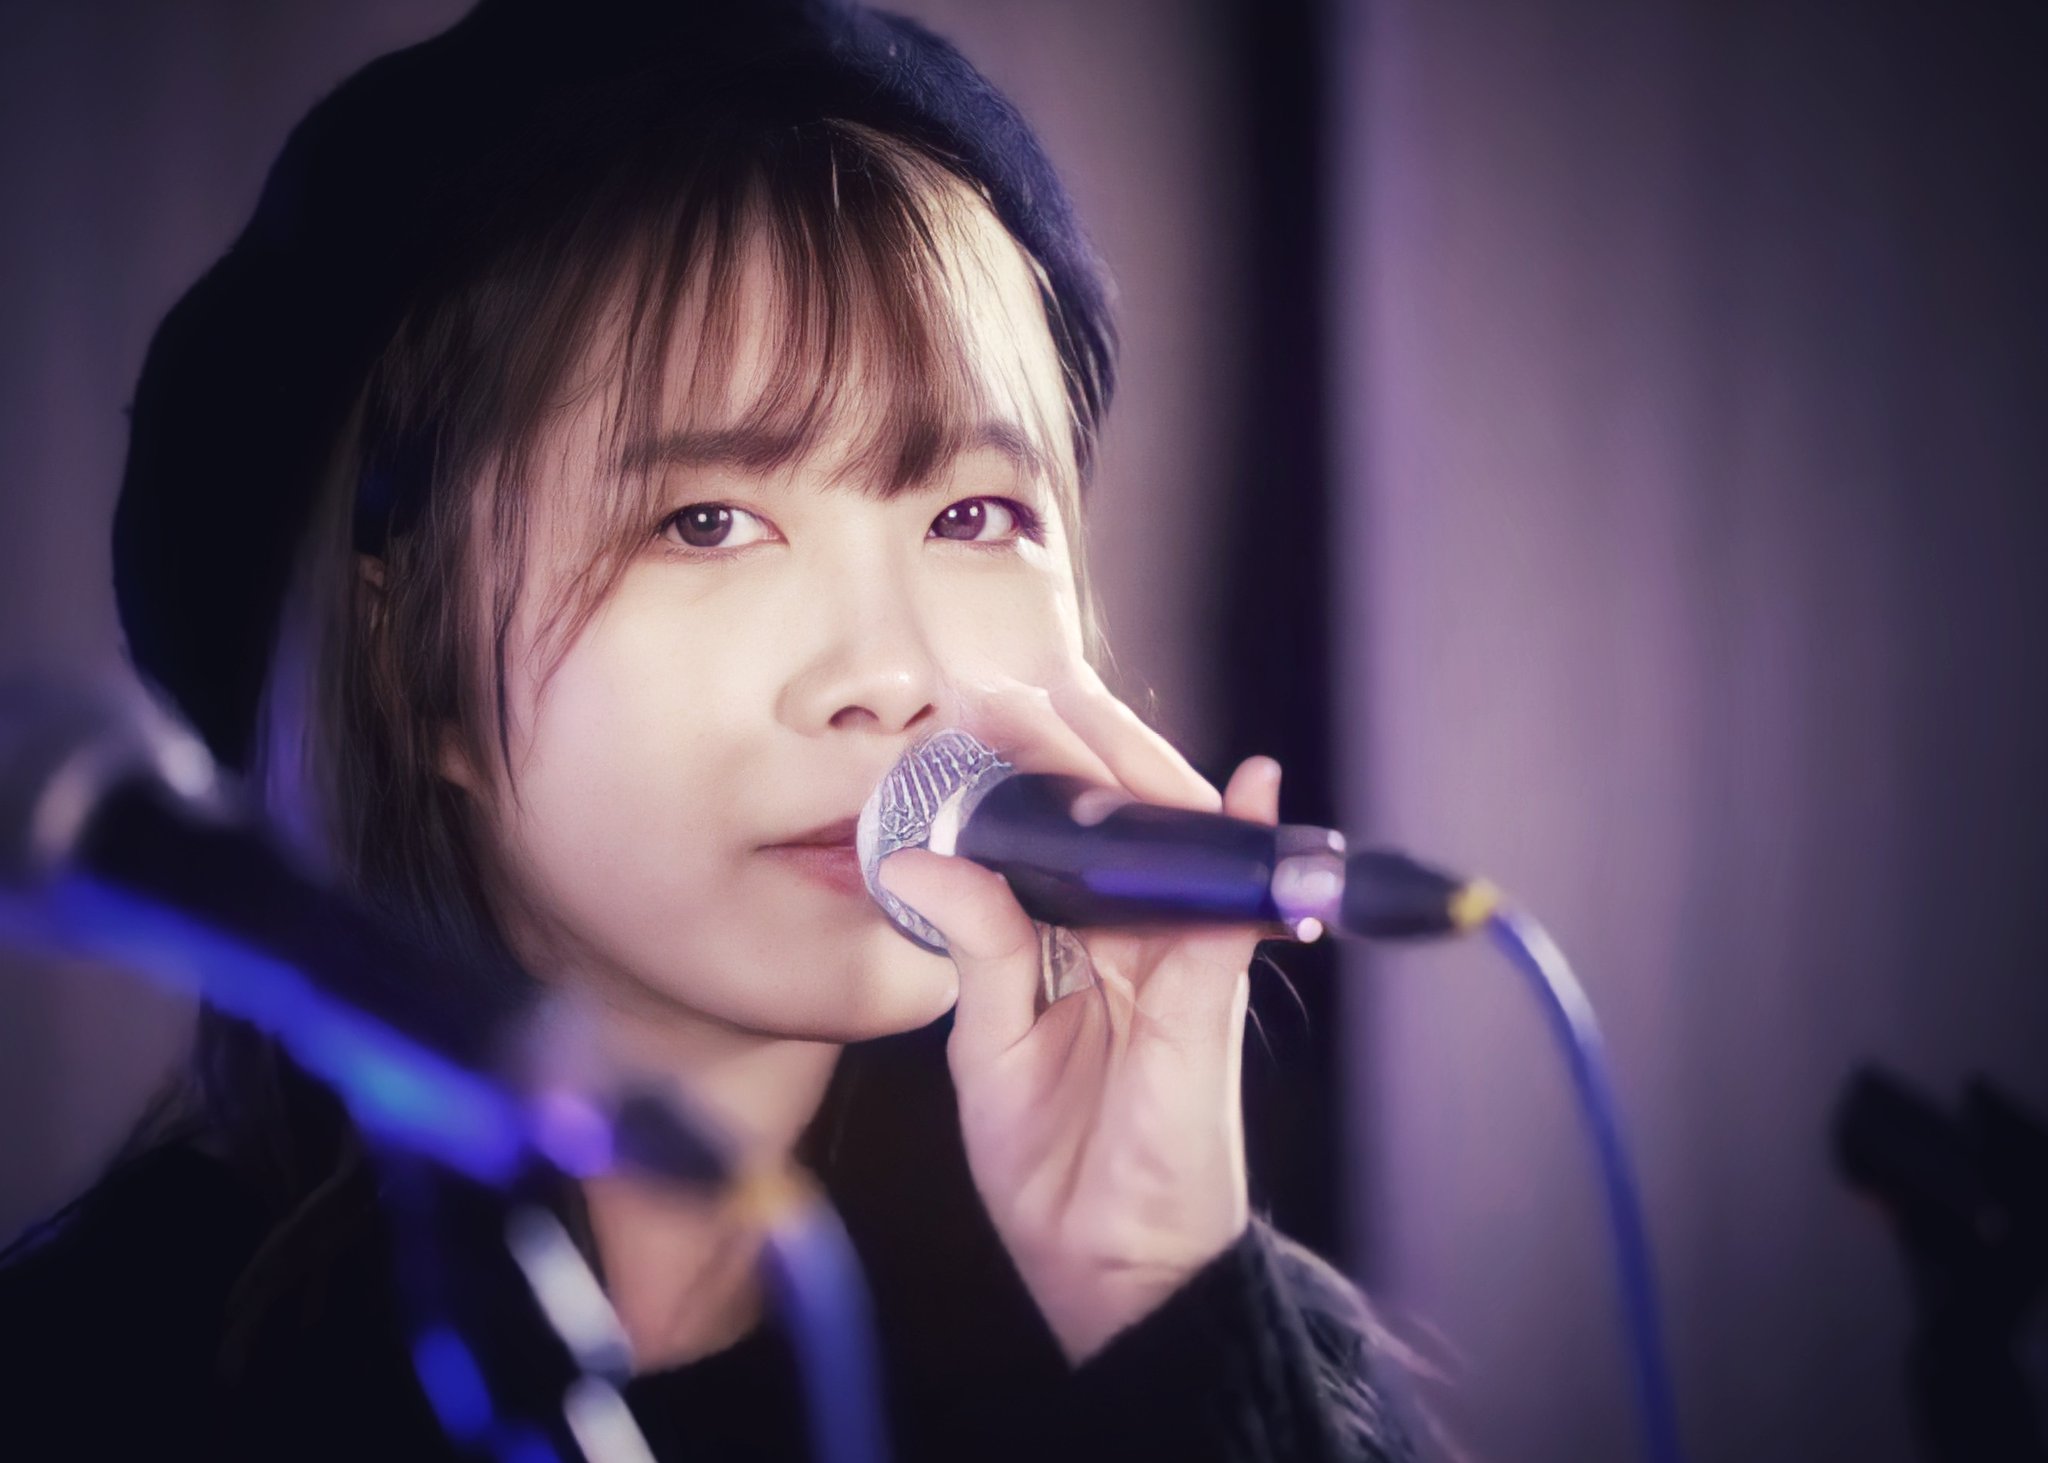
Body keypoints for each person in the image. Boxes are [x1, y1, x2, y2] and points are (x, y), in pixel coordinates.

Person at [0, 2, 1417, 1458]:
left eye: (973, 515)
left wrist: (1165, 1306)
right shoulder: (101, 1384)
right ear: (409, 659)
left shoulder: (1213, 1343)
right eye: (709, 523)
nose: (891, 676)